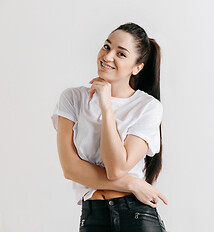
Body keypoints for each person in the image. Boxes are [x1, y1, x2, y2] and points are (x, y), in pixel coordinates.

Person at [51, 22, 168, 232]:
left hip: (137, 216)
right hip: (93, 215)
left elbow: (116, 169)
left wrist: (106, 107)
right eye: (107, 46)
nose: (107, 56)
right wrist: (132, 184)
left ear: (137, 67)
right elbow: (70, 169)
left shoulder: (148, 107)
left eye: (121, 54)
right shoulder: (72, 98)